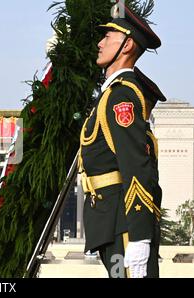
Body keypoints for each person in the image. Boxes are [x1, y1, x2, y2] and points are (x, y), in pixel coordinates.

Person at [79, 4, 165, 278]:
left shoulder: (121, 97)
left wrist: (139, 237)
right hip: (111, 220)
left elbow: (136, 167)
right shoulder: (110, 95)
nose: (99, 43)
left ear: (127, 45)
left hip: (124, 223)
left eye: (108, 37)